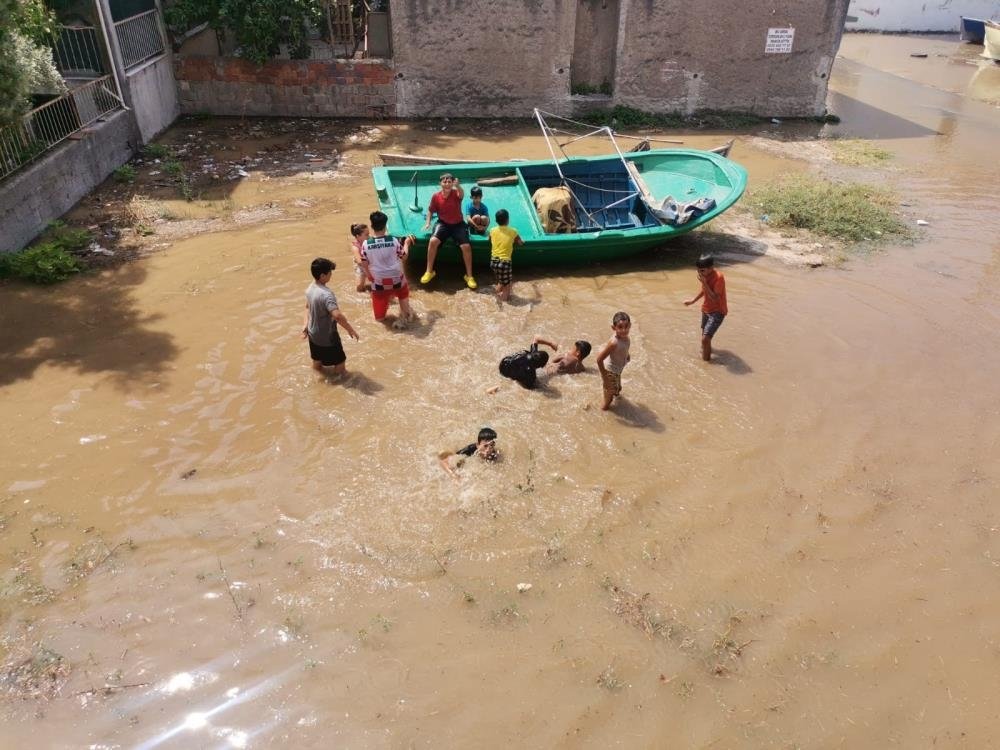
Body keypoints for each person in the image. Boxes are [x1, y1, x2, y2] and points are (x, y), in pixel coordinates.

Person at [302, 257, 359, 375]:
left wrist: (305, 325)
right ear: (323, 276)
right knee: (340, 363)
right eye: (329, 273)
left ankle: (318, 381)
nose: (331, 275)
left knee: (317, 362)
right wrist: (350, 329)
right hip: (327, 338)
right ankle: (339, 386)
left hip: (313, 334)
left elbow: (307, 307)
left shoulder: (309, 288)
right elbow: (337, 315)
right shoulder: (327, 295)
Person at [421, 172, 477, 289]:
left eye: (449, 182)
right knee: (432, 241)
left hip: (458, 225)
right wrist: (428, 223)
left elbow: (461, 194)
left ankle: (469, 276)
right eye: (444, 181)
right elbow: (431, 210)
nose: (447, 183)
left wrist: (458, 186)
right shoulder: (436, 196)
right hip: (443, 224)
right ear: (440, 183)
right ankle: (429, 271)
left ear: (452, 183)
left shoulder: (456, 193)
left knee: (466, 246)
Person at [360, 210, 416, 325]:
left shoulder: (366, 244)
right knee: (406, 313)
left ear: (372, 226)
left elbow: (364, 263)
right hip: (397, 281)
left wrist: (370, 276)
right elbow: (404, 257)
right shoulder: (393, 241)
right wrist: (407, 243)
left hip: (379, 283)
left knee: (379, 320)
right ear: (385, 226)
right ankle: (405, 313)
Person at [684, 253, 727, 361]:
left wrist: (704, 283)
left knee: (705, 339)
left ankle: (706, 363)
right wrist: (693, 301)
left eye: (702, 270)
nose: (700, 273)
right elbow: (704, 290)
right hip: (706, 309)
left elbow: (714, 298)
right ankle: (706, 354)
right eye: (698, 270)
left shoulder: (719, 277)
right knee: (705, 338)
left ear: (711, 268)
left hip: (718, 311)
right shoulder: (706, 275)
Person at [595, 311, 632, 410]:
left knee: (617, 390)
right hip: (610, 371)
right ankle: (603, 411)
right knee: (609, 399)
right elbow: (599, 360)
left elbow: (624, 348)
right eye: (620, 327)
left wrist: (627, 355)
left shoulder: (626, 338)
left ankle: (612, 393)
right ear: (614, 328)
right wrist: (605, 378)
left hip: (617, 370)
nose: (624, 330)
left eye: (626, 326)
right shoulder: (614, 343)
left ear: (630, 325)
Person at [489, 208, 523, 302]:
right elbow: (520, 242)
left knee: (501, 281)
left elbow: (489, 239)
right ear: (508, 220)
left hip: (493, 261)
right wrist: (521, 241)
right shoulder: (513, 231)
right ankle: (503, 303)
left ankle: (495, 295)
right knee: (507, 286)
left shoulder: (492, 230)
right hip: (504, 263)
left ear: (496, 221)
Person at [349, 223, 371, 292]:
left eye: (368, 234)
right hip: (360, 265)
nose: (369, 236)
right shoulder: (355, 247)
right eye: (366, 235)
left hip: (368, 262)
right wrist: (367, 272)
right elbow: (359, 262)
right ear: (358, 236)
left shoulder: (370, 240)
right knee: (360, 287)